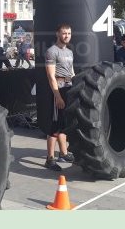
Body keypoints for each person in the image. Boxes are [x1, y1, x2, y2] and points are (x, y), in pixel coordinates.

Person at [43, 24, 75, 171]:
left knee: (63, 123)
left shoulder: (69, 52)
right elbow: (51, 76)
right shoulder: (51, 51)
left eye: (68, 33)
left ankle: (64, 153)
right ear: (57, 34)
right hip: (59, 89)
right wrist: (58, 97)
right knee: (55, 126)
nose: (66, 36)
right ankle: (49, 159)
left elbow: (72, 72)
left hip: (69, 88)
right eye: (64, 33)